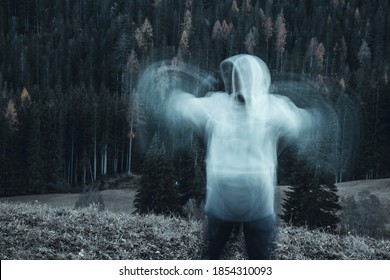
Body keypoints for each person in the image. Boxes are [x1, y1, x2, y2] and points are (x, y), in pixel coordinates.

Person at [167, 55, 314, 259]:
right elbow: (298, 121)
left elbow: (187, 106)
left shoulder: (220, 105)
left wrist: (177, 98)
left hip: (233, 206)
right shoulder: (269, 107)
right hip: (244, 206)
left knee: (218, 256)